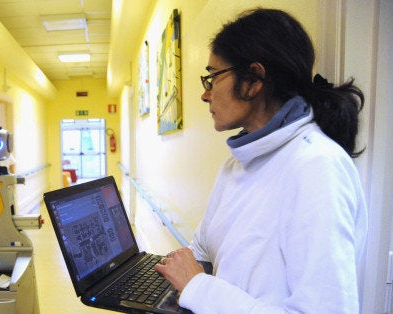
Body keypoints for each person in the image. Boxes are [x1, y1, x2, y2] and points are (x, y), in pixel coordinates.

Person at [154, 8, 367, 313]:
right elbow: (201, 247)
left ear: (254, 79)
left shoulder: (318, 167)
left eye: (213, 77)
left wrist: (198, 287)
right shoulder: (236, 164)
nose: (205, 94)